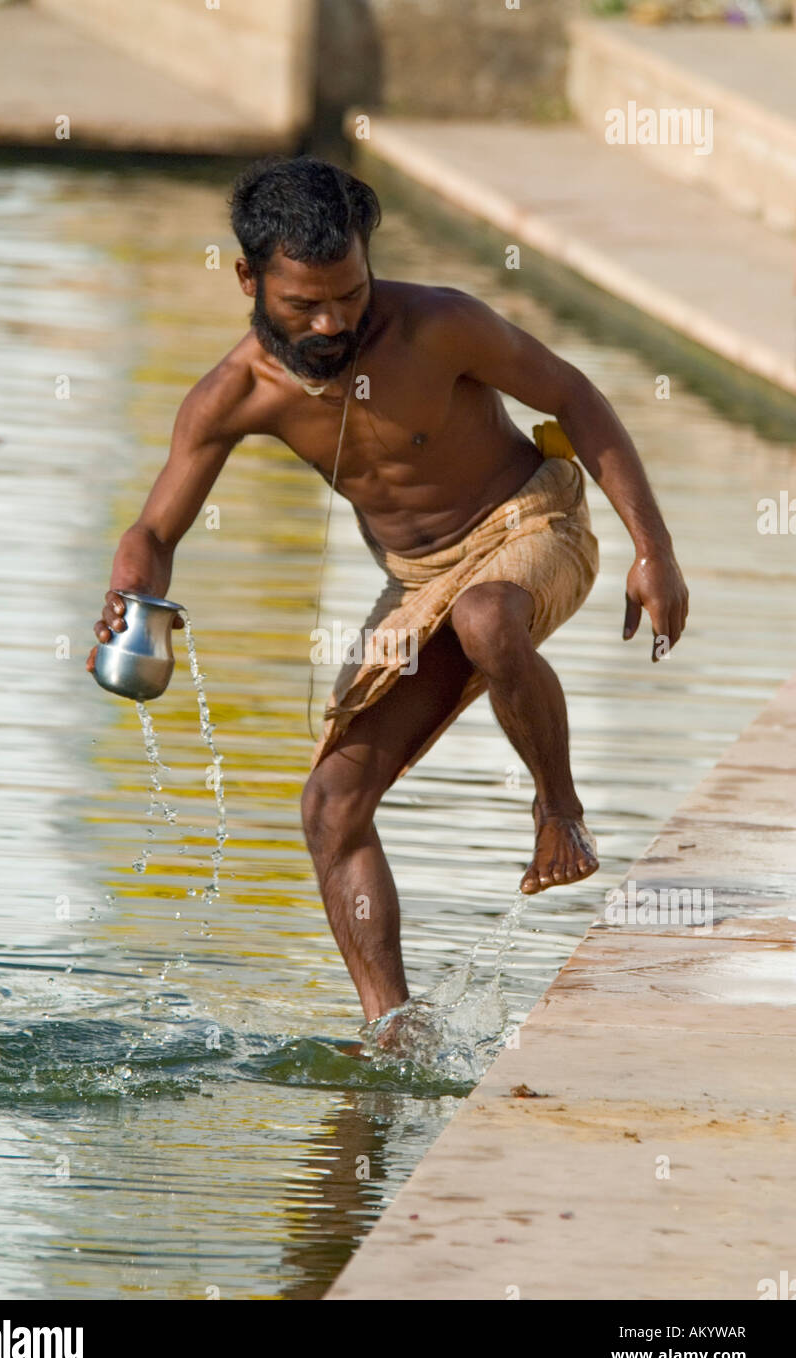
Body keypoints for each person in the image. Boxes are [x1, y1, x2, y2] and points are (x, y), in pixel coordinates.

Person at [87, 156, 688, 1026]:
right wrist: (131, 599)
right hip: (415, 581)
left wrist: (653, 550)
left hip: (532, 522)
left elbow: (574, 396)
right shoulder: (232, 396)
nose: (333, 323)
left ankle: (560, 811)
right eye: (304, 305)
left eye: (351, 295)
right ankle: (392, 1030)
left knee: (486, 616)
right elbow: (153, 532)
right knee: (331, 805)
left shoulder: (440, 325)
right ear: (248, 279)